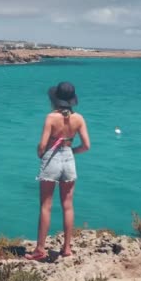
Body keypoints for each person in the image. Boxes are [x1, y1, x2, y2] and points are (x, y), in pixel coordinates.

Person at [26, 82, 91, 260]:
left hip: (52, 160)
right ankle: (67, 248)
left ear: (55, 99)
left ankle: (40, 249)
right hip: (69, 160)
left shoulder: (51, 118)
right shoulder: (79, 119)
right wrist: (71, 151)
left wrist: (41, 153)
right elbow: (86, 146)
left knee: (46, 205)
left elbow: (42, 144)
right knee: (68, 205)